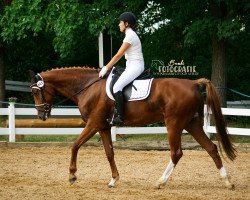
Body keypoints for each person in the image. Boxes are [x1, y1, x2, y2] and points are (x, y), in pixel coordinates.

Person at [99, 12, 145, 126]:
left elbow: (118, 55)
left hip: (136, 66)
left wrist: (106, 67)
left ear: (126, 23)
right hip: (131, 65)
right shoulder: (129, 35)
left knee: (117, 87)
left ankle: (120, 117)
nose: (119, 24)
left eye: (120, 22)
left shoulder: (130, 36)